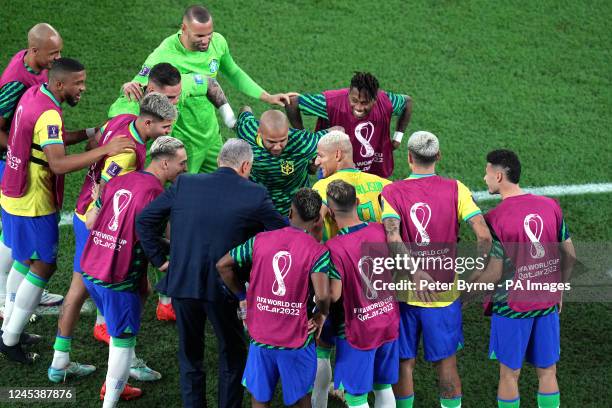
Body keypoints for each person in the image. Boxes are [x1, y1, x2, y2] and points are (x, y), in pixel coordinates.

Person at [0, 58, 134, 363]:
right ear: (60, 84)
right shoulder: (48, 112)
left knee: (25, 260)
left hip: (14, 189)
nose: (83, 89)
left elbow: (51, 138)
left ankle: (10, 327)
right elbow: (57, 163)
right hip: (33, 201)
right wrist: (104, 150)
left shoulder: (35, 97)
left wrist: (90, 132)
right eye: (79, 83)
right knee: (44, 265)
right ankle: (9, 339)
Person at [136, 139, 286, 408]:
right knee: (233, 353)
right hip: (226, 288)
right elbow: (283, 234)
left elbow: (145, 221)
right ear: (245, 165)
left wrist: (161, 260)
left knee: (190, 356)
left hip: (183, 283)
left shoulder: (185, 184)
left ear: (219, 161)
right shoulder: (255, 194)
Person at [48, 93, 177, 386]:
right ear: (147, 122)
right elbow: (107, 187)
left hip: (86, 215)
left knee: (81, 290)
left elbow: (95, 144)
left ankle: (60, 361)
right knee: (134, 289)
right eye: (165, 128)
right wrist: (99, 218)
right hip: (100, 223)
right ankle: (125, 360)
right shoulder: (128, 152)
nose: (168, 133)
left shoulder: (122, 119)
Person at [109, 62, 235, 322]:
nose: (174, 104)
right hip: (137, 187)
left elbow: (210, 83)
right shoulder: (128, 106)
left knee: (175, 226)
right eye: (168, 98)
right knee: (131, 246)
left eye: (177, 97)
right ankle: (108, 319)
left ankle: (166, 298)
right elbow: (109, 137)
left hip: (166, 175)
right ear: (150, 90)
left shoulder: (181, 84)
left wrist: (229, 115)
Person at [380, 131, 492, 408]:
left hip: (405, 292)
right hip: (444, 293)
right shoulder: (456, 188)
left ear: (408, 158)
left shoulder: (391, 192)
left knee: (405, 362)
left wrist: (415, 272)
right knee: (446, 361)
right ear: (438, 156)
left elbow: (393, 237)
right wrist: (478, 272)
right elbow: (484, 235)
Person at [121, 5, 295, 174]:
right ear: (184, 28)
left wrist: (267, 97)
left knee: (224, 185)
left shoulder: (218, 43)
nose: (206, 40)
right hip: (184, 142)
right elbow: (139, 85)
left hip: (211, 137)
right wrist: (127, 85)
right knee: (184, 195)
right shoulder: (163, 55)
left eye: (209, 34)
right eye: (199, 35)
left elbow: (233, 72)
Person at [81, 136, 187, 407]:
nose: (185, 168)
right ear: (165, 163)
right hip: (117, 278)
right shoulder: (157, 196)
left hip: (92, 268)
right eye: (182, 163)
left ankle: (116, 379)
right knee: (123, 341)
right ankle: (110, 398)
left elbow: (92, 221)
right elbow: (161, 238)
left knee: (143, 292)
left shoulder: (119, 181)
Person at [467, 149, 575, 408]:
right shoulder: (550, 206)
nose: (485, 178)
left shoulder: (495, 219)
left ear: (500, 176)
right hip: (547, 302)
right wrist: (558, 289)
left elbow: (493, 274)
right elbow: (569, 254)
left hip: (512, 307)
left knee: (509, 375)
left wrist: (463, 294)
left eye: (487, 173)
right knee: (548, 371)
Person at [217, 188, 331, 407]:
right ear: (317, 219)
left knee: (260, 398)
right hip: (297, 339)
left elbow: (222, 265)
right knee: (301, 399)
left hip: (260, 336)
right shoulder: (317, 251)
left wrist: (243, 296)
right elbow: (323, 294)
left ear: (289, 213)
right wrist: (320, 315)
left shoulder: (260, 240)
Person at [310, 131, 391, 407]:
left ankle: (320, 402)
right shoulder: (384, 184)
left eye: (320, 155)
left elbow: (314, 226)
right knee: (383, 378)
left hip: (339, 279)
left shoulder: (323, 189)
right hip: (379, 290)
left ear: (337, 154)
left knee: (323, 349)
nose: (317, 161)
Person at [0, 23, 65, 316]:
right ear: (35, 51)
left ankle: (23, 291)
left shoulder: (33, 63)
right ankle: (3, 299)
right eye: (53, 54)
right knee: (11, 233)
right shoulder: (16, 81)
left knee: (16, 233)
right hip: (10, 162)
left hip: (19, 157)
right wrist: (19, 154)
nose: (57, 58)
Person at [324, 180, 399, 408]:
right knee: (383, 386)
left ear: (329, 210)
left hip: (360, 330)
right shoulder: (379, 229)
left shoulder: (334, 247)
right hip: (389, 319)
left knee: (356, 397)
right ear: (357, 203)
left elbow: (334, 295)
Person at [286, 71, 412, 178]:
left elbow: (407, 102)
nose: (358, 107)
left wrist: (398, 138)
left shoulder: (386, 101)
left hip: (372, 171)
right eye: (354, 100)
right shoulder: (331, 102)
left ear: (375, 99)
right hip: (336, 170)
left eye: (364, 103)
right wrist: (306, 142)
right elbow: (292, 103)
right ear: (349, 93)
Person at [235, 107, 341, 216]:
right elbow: (245, 110)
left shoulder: (301, 142)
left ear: (288, 132)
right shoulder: (247, 132)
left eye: (282, 140)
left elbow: (338, 131)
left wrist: (315, 164)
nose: (277, 147)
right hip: (259, 208)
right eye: (271, 141)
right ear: (259, 132)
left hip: (295, 211)